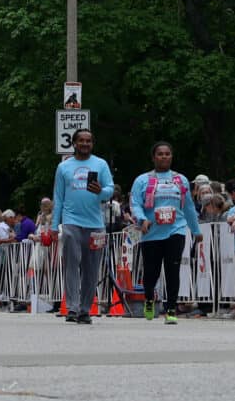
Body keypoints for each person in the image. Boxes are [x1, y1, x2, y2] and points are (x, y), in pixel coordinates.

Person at [51, 128, 117, 326]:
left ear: (92, 144)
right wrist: (55, 226)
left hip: (95, 224)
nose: (85, 144)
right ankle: (71, 307)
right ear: (74, 143)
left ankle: (84, 310)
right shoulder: (64, 167)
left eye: (88, 141)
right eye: (81, 141)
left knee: (91, 269)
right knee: (72, 264)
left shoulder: (100, 164)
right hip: (71, 221)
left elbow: (110, 190)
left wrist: (100, 191)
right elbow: (58, 197)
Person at [130, 142, 200, 324]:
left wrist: (196, 230)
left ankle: (171, 309)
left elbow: (189, 206)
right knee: (151, 272)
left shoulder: (181, 180)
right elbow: (135, 203)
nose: (164, 157)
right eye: (160, 154)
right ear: (153, 157)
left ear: (171, 156)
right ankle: (149, 300)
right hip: (151, 232)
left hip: (175, 230)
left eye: (167, 154)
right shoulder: (142, 180)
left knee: (173, 270)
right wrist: (141, 219)